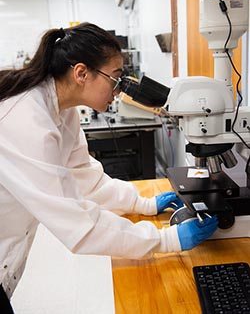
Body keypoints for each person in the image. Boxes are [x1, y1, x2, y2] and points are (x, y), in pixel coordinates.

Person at [0, 22, 218, 312]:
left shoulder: (63, 113)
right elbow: (79, 226)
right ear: (81, 73)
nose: (119, 90)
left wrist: (145, 204)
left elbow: (88, 180)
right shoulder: (27, 120)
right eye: (116, 79)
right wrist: (166, 238)